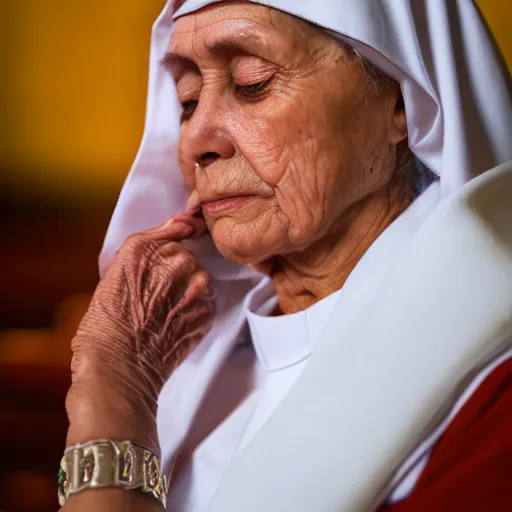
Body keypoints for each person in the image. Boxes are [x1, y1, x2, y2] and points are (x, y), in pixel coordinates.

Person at [58, 1, 512, 511]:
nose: (196, 140)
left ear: (400, 103)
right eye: (187, 100)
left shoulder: (492, 393)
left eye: (252, 83)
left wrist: (115, 397)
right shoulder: (187, 362)